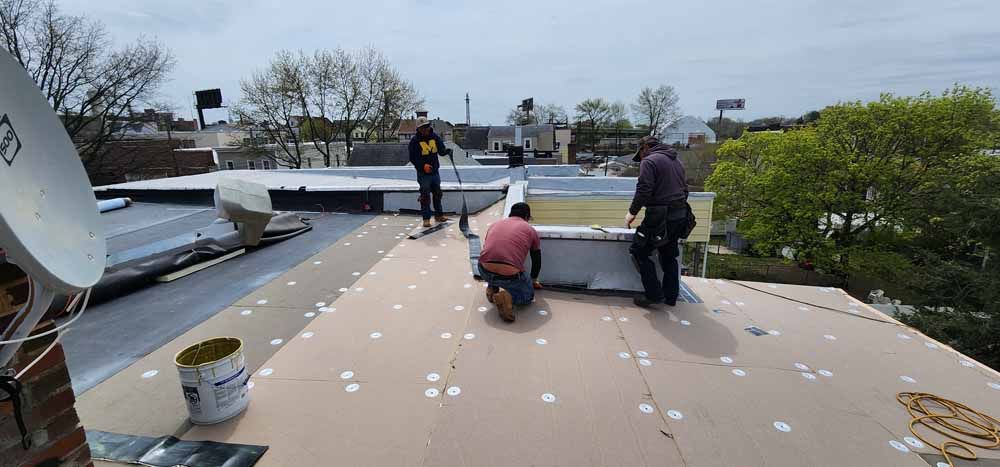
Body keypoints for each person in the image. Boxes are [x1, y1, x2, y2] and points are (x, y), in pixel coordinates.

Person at [625, 135, 688, 308]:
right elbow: (685, 189)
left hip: (660, 215)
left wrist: (632, 212)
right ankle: (671, 297)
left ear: (645, 148)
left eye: (641, 154)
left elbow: (644, 188)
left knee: (639, 251)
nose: (641, 159)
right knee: (668, 255)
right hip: (680, 213)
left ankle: (653, 295)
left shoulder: (650, 161)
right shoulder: (677, 161)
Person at [478, 202, 542, 322]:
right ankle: (510, 298)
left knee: (496, 262)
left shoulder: (495, 224)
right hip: (509, 276)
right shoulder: (530, 230)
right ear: (527, 217)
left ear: (510, 214)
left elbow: (491, 249)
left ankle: (492, 288)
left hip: (484, 270)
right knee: (528, 296)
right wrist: (533, 280)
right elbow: (536, 259)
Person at [408, 116, 451, 227]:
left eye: (426, 127)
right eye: (422, 128)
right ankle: (426, 218)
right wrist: (423, 166)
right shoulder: (414, 141)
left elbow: (441, 151)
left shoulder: (435, 137)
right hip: (423, 174)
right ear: (418, 129)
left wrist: (447, 151)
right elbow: (413, 158)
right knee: (425, 195)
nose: (425, 129)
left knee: (437, 194)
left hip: (435, 172)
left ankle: (439, 215)